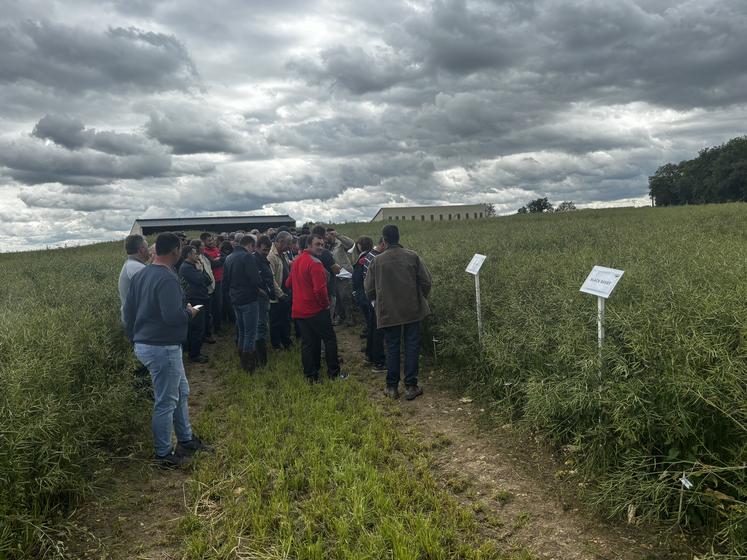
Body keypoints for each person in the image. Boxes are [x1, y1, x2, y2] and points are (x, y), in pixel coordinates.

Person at [123, 232, 211, 468]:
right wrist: (190, 313)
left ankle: (186, 439)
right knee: (166, 400)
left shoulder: (142, 274)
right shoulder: (167, 278)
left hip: (147, 344)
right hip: (162, 347)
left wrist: (135, 337)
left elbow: (127, 311)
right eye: (180, 248)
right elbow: (173, 317)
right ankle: (163, 453)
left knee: (181, 391)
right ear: (175, 250)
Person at [365, 225, 431, 400]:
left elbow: (369, 288)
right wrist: (419, 298)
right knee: (411, 346)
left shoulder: (377, 261)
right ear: (398, 238)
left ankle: (392, 388)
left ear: (384, 240)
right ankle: (411, 386)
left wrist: (377, 302)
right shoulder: (412, 256)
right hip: (412, 309)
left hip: (388, 311)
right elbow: (426, 282)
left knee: (392, 346)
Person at [285, 234, 346, 383]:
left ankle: (311, 375)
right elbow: (320, 290)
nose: (320, 247)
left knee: (308, 342)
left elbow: (288, 284)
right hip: (316, 310)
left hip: (299, 310)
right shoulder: (315, 263)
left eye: (322, 244)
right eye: (317, 244)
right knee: (329, 340)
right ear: (308, 245)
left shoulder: (296, 261)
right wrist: (325, 305)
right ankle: (334, 373)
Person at [223, 234, 262, 373]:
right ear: (250, 245)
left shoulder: (229, 257)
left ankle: (242, 357)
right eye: (253, 247)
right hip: (248, 299)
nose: (253, 250)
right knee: (250, 333)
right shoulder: (247, 257)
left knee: (242, 331)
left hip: (235, 299)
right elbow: (255, 280)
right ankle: (248, 365)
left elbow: (225, 281)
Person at [179, 245, 212, 363]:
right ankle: (194, 355)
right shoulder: (186, 267)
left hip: (201, 297)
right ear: (188, 255)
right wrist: (200, 271)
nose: (197, 256)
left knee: (200, 326)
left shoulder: (195, 266)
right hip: (195, 300)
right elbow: (199, 280)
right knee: (197, 327)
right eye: (194, 253)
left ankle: (195, 350)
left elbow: (208, 281)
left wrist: (201, 270)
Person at [268, 231, 293, 350]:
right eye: (288, 243)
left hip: (286, 292)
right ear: (281, 241)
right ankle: (276, 345)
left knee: (286, 319)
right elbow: (271, 278)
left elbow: (288, 265)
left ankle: (286, 340)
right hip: (278, 296)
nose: (290, 246)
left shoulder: (283, 253)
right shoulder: (271, 255)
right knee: (276, 321)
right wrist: (280, 294)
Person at [253, 235, 276, 367]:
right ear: (257, 247)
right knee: (260, 325)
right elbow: (252, 281)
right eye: (264, 250)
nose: (266, 253)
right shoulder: (253, 260)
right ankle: (261, 360)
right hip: (259, 298)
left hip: (265, 297)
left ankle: (261, 355)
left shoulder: (263, 259)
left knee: (263, 325)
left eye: (268, 250)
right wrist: (262, 292)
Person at [325, 227, 355, 326]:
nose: (327, 236)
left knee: (345, 296)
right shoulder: (325, 246)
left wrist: (338, 235)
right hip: (333, 275)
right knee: (336, 297)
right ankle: (339, 316)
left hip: (344, 274)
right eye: (326, 234)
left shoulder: (340, 243)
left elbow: (351, 244)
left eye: (329, 234)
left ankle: (350, 318)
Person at [118, 234, 149, 325]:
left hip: (133, 320)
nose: (149, 251)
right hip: (138, 323)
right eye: (147, 247)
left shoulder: (131, 264)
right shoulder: (136, 268)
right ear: (141, 249)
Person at [200, 232, 225, 335]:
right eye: (209, 240)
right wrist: (218, 260)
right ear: (203, 242)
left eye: (212, 240)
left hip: (219, 281)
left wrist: (219, 260)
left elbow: (225, 258)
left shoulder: (216, 249)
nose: (211, 242)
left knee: (218, 306)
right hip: (210, 283)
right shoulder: (204, 252)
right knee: (211, 307)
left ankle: (218, 328)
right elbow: (214, 264)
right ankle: (209, 330)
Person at [219, 240, 235, 324]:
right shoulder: (229, 256)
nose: (227, 251)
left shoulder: (224, 256)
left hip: (225, 279)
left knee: (227, 301)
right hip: (224, 279)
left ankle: (229, 319)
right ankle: (228, 319)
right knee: (226, 301)